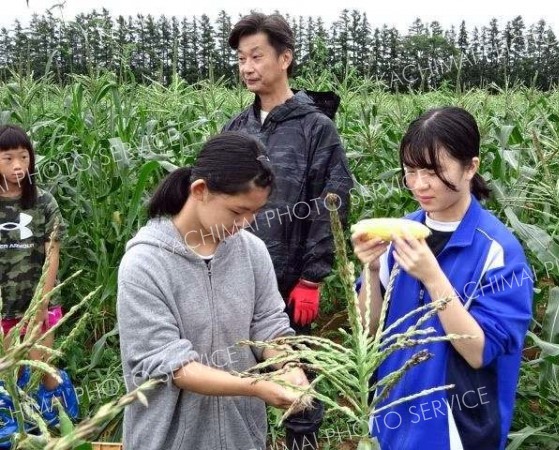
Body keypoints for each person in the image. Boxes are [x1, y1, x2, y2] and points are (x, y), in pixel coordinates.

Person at [352, 107, 533, 450]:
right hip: (392, 418)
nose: (419, 184)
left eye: (434, 171)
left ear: (471, 168)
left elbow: (479, 352)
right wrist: (371, 269)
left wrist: (433, 277)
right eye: (411, 171)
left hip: (455, 431)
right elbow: (368, 330)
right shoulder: (399, 235)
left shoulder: (499, 252)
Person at [117, 131, 310, 450]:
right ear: (200, 190)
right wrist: (257, 386)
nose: (246, 223)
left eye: (255, 212)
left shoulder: (252, 252)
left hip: (241, 439)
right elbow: (172, 365)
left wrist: (287, 366)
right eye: (237, 211)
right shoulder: (145, 263)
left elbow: (269, 327)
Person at [223, 13, 353, 447]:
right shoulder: (237, 130)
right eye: (241, 59)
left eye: (256, 56)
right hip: (236, 279)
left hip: (289, 281)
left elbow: (332, 203)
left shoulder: (315, 128)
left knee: (297, 378)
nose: (247, 67)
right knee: (242, 376)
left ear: (285, 58)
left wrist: (313, 277)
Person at [0, 124, 78, 432]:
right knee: (8, 373)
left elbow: (52, 254)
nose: (18, 165)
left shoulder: (43, 202)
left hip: (38, 301)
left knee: (43, 370)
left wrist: (41, 305)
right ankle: (18, 431)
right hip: (4, 305)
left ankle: (59, 425)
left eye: (23, 157)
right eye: (8, 158)